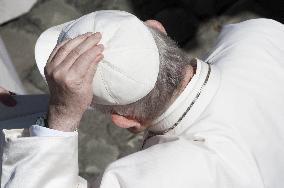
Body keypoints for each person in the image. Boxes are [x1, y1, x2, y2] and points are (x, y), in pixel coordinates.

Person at [1, 10, 284, 188]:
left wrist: (61, 119)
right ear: (157, 28)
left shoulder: (161, 177)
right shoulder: (258, 34)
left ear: (125, 120)